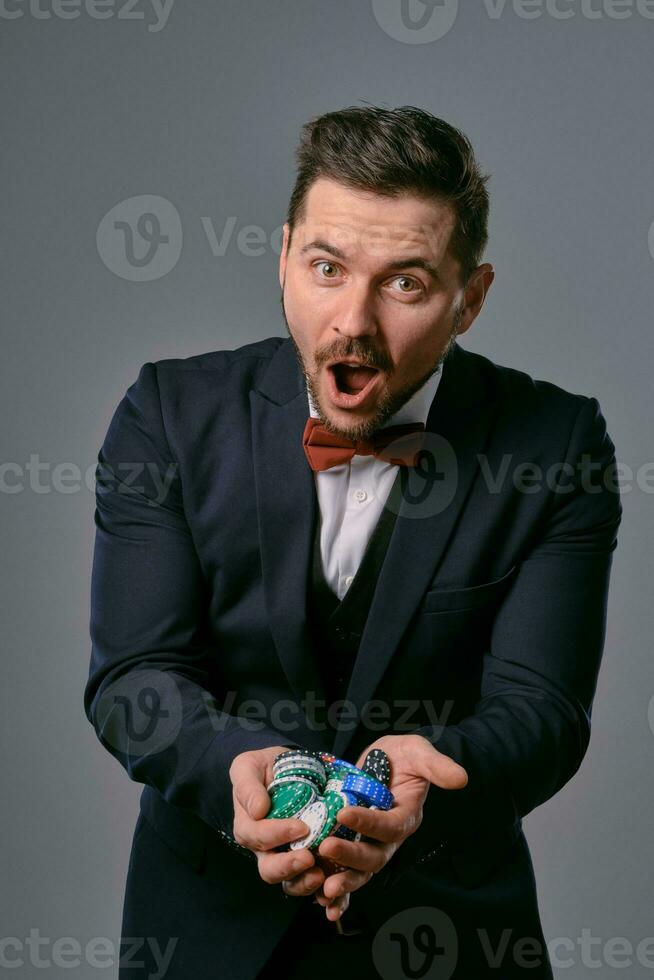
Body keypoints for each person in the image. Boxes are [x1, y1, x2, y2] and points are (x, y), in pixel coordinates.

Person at [85, 105, 622, 979]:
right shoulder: (167, 417)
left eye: (404, 283)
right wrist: (236, 770)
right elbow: (131, 679)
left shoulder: (555, 445)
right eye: (326, 268)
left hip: (453, 938)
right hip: (205, 937)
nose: (352, 322)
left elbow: (546, 713)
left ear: (469, 300)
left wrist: (428, 785)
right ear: (284, 255)